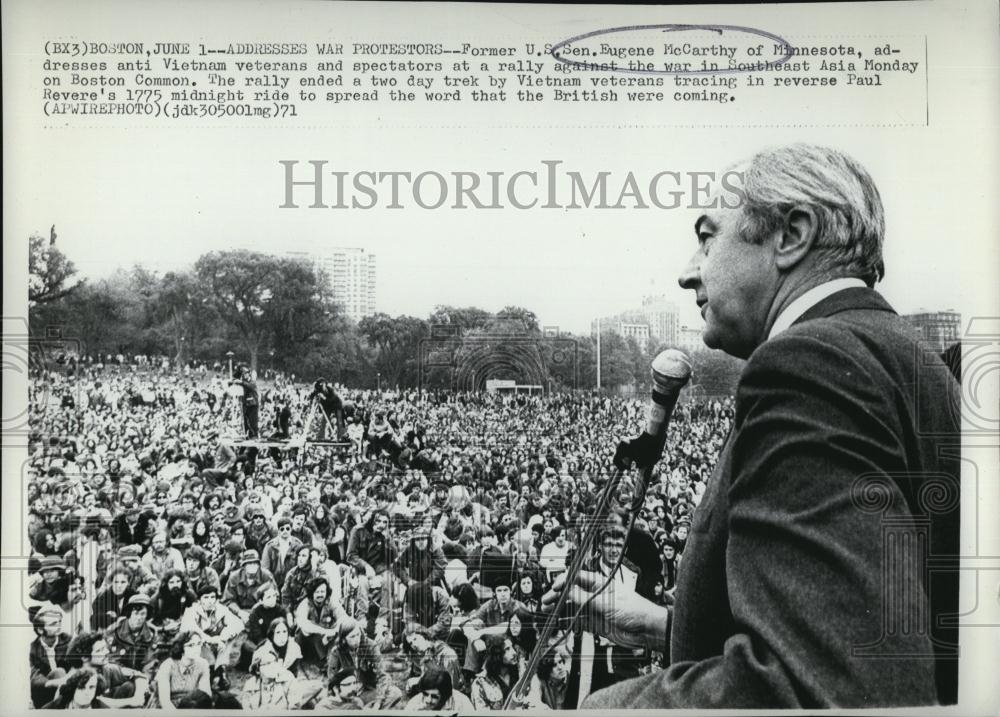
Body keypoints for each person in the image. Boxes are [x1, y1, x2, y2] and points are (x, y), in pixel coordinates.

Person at [553, 144, 961, 707]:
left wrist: (595, 709)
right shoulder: (902, 357)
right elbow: (847, 636)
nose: (686, 273)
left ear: (791, 235)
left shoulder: (810, 365)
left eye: (706, 238)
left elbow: (829, 688)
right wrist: (660, 628)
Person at [242, 617, 324, 710]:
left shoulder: (294, 648)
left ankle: (298, 701)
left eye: (285, 632)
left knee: (316, 685)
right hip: (268, 688)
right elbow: (256, 676)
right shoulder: (262, 651)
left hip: (288, 684)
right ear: (271, 634)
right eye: (278, 632)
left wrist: (290, 687)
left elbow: (294, 674)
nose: (282, 636)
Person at [322, 617, 403, 710]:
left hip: (366, 691)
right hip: (347, 694)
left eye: (358, 634)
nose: (357, 639)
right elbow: (332, 679)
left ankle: (366, 709)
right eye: (352, 637)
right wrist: (341, 695)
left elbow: (383, 676)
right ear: (344, 639)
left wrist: (378, 702)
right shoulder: (336, 651)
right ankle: (358, 709)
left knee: (395, 693)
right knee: (325, 705)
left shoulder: (371, 646)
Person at [470, 634, 543, 710]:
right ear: (497, 654)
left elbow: (535, 700)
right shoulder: (481, 683)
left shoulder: (523, 671)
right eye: (507, 649)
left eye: (512, 647)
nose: (514, 652)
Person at [150, 631, 212, 709]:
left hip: (192, 706)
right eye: (191, 645)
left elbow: (205, 695)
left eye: (199, 644)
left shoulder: (203, 664)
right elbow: (164, 701)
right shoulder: (168, 665)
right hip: (169, 707)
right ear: (181, 648)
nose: (197, 648)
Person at [29, 607, 73, 708]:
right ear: (40, 630)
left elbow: (76, 664)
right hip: (44, 693)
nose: (59, 626)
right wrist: (57, 682)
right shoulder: (33, 648)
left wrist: (67, 679)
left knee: (61, 672)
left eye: (59, 622)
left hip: (66, 687)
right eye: (53, 624)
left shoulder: (67, 640)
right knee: (59, 672)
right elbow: (35, 678)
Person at [403, 666, 475, 712]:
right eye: (425, 694)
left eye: (434, 696)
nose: (428, 700)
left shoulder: (462, 703)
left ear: (445, 696)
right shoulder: (414, 703)